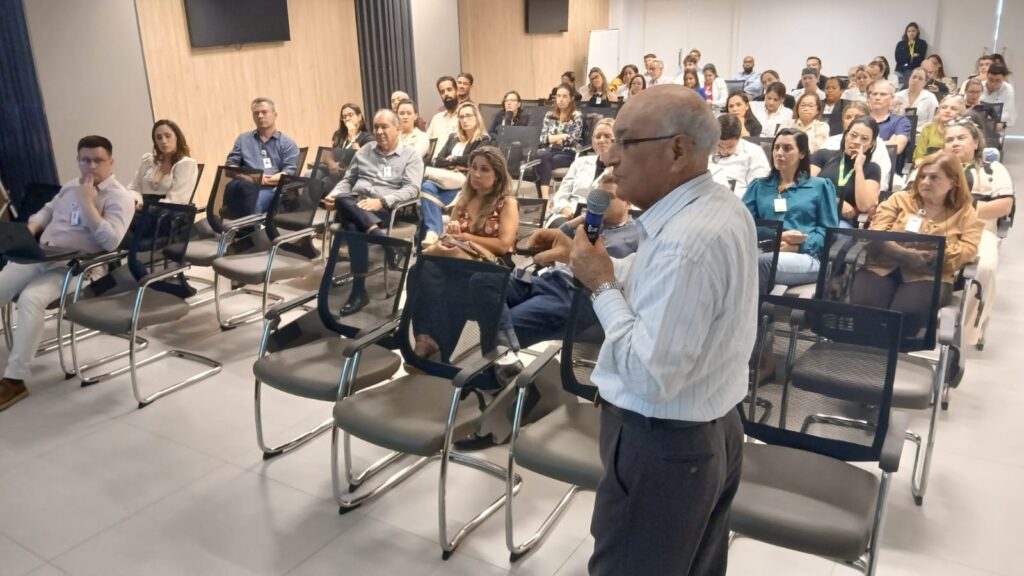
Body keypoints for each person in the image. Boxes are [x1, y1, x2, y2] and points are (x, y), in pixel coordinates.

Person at [560, 85, 753, 575]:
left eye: (625, 143)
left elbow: (650, 376)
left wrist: (601, 284)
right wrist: (587, 264)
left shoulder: (686, 243)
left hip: (663, 447)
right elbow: (659, 292)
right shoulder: (719, 208)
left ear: (677, 150)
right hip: (712, 430)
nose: (611, 158)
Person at [0, 135, 134, 411]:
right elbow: (45, 213)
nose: (91, 166)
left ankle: (15, 380)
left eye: (98, 160)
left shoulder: (119, 197)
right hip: (42, 254)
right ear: (78, 160)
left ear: (111, 162)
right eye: (85, 160)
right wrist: (29, 231)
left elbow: (111, 242)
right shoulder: (71, 186)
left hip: (78, 267)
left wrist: (87, 203)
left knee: (31, 299)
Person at [853, 152, 982, 337]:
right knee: (865, 307)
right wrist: (906, 254)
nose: (925, 182)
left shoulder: (965, 213)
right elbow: (876, 233)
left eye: (934, 177)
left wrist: (931, 257)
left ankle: (888, 361)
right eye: (922, 176)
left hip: (929, 276)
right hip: (882, 266)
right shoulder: (899, 200)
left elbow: (968, 250)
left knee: (904, 315)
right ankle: (861, 358)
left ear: (953, 182)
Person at [412, 146, 519, 361]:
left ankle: (439, 344)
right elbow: (451, 236)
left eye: (485, 169)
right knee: (419, 270)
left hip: (491, 269)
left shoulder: (507, 203)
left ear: (497, 175)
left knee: (451, 291)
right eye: (473, 168)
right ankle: (424, 336)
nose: (477, 174)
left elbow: (503, 245)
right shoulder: (462, 201)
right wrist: (450, 236)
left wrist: (467, 237)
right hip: (460, 262)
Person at [324, 109, 424, 314]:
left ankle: (359, 291)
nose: (378, 131)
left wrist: (382, 201)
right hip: (355, 202)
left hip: (385, 209)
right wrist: (333, 195)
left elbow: (412, 189)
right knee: (343, 199)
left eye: (384, 127)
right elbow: (348, 180)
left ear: (397, 129)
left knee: (352, 226)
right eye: (376, 127)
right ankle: (383, 241)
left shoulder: (411, 156)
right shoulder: (364, 151)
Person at [943, 118, 1013, 346]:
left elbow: (1004, 205)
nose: (955, 143)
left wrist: (966, 210)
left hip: (980, 227)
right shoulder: (935, 166)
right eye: (949, 140)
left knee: (984, 267)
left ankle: (968, 330)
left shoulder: (993, 169)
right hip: (938, 226)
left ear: (975, 142)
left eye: (961, 138)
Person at [744, 128, 839, 287]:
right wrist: (778, 235)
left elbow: (828, 231)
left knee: (763, 262)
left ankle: (751, 312)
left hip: (806, 256)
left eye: (787, 148)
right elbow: (745, 224)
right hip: (764, 248)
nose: (779, 153)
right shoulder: (759, 186)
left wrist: (799, 246)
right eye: (776, 147)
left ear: (802, 153)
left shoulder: (820, 186)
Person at [420, 102, 491, 241]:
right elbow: (438, 160)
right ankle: (436, 232)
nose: (464, 120)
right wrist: (457, 163)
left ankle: (433, 234)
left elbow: (474, 160)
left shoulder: (484, 139)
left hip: (465, 184)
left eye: (469, 116)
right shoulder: (453, 137)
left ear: (477, 118)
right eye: (461, 117)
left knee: (427, 209)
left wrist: (453, 160)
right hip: (445, 181)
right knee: (426, 186)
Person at [224, 97, 299, 215]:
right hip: (244, 186)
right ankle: (242, 230)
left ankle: (252, 232)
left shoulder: (287, 143)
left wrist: (261, 180)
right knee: (236, 199)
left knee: (252, 204)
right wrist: (250, 177)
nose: (260, 116)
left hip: (271, 189)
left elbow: (288, 174)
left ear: (275, 115)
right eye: (256, 113)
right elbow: (229, 167)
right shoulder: (243, 139)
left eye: (264, 112)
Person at [811, 115, 882, 227]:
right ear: (845, 136)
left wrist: (858, 168)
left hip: (840, 221)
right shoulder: (823, 155)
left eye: (864, 139)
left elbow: (864, 206)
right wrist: (837, 201)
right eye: (853, 135)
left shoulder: (872, 169)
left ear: (871, 144)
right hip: (812, 211)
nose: (857, 141)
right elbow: (806, 186)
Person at [547, 118, 615, 226]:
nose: (601, 140)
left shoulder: (623, 169)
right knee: (560, 229)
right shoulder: (579, 162)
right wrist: (565, 208)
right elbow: (562, 193)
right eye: (597, 137)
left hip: (601, 220)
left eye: (607, 136)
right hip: (569, 214)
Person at [821, 101, 893, 192]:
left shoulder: (878, 144)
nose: (852, 120)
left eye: (858, 117)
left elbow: (882, 180)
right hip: (827, 193)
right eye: (848, 117)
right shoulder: (830, 141)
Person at [127, 119, 198, 207]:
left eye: (168, 136)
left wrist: (147, 208)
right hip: (141, 210)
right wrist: (136, 201)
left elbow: (176, 201)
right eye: (159, 137)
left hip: (166, 215)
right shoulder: (148, 160)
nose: (163, 141)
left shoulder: (186, 164)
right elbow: (133, 188)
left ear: (177, 137)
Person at [535, 84, 583, 199]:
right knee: (542, 157)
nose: (560, 100)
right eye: (558, 96)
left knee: (540, 162)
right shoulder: (549, 115)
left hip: (567, 153)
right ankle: (545, 199)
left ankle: (543, 200)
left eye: (564, 96)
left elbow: (571, 140)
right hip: (549, 151)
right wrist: (563, 136)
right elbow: (543, 139)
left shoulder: (576, 116)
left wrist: (553, 138)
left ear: (571, 99)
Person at [710, 114, 771, 198]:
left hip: (740, 202)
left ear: (739, 138)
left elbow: (758, 188)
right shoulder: (704, 150)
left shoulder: (754, 152)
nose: (724, 151)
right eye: (719, 146)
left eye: (730, 146)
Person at [868, 80, 911, 172]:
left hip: (888, 171)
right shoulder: (861, 118)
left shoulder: (901, 121)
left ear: (892, 98)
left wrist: (866, 144)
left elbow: (897, 147)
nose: (877, 97)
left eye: (883, 94)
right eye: (874, 94)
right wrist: (887, 143)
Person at [914, 94, 964, 164]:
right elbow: (919, 158)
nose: (947, 111)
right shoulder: (928, 129)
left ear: (960, 114)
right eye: (944, 107)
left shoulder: (964, 131)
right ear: (939, 110)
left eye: (953, 109)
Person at [426, 76, 460, 160]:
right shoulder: (436, 118)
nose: (446, 94)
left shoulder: (465, 117)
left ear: (457, 91)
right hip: (434, 163)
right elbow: (427, 142)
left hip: (454, 164)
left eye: (449, 89)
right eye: (442, 92)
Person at [982, 63, 1016, 128]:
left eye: (998, 80)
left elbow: (1009, 113)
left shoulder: (1008, 89)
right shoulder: (979, 86)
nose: (993, 84)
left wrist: (1003, 124)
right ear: (987, 75)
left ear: (1004, 78)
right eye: (991, 80)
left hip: (997, 126)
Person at [894, 22, 927, 88]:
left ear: (917, 31)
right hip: (900, 70)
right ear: (906, 32)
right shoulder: (901, 44)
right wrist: (911, 55)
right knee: (896, 86)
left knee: (910, 87)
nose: (911, 33)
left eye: (913, 31)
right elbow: (898, 59)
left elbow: (921, 58)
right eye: (909, 31)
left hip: (914, 70)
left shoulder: (922, 43)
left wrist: (905, 56)